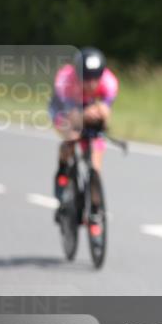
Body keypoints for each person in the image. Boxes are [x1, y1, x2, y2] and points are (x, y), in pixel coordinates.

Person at [49, 47, 118, 219]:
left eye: (95, 78)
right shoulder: (65, 80)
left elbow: (106, 114)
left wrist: (99, 119)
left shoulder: (109, 82)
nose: (91, 83)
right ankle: (63, 170)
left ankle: (95, 207)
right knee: (72, 136)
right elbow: (71, 115)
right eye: (86, 78)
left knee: (96, 161)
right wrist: (85, 115)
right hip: (64, 109)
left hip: (88, 107)